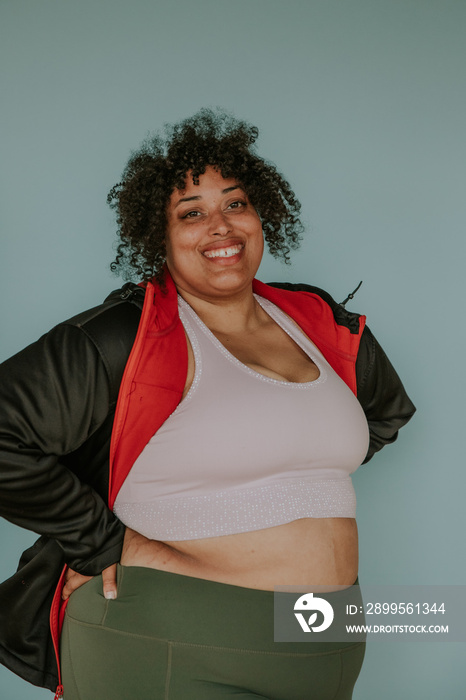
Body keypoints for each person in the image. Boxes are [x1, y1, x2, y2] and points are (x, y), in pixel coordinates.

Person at [0, 109, 415, 699]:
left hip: (326, 637)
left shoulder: (316, 320)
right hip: (170, 634)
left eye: (236, 204)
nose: (219, 227)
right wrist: (103, 542)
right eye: (190, 213)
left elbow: (385, 414)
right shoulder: (126, 335)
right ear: (159, 235)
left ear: (261, 215)